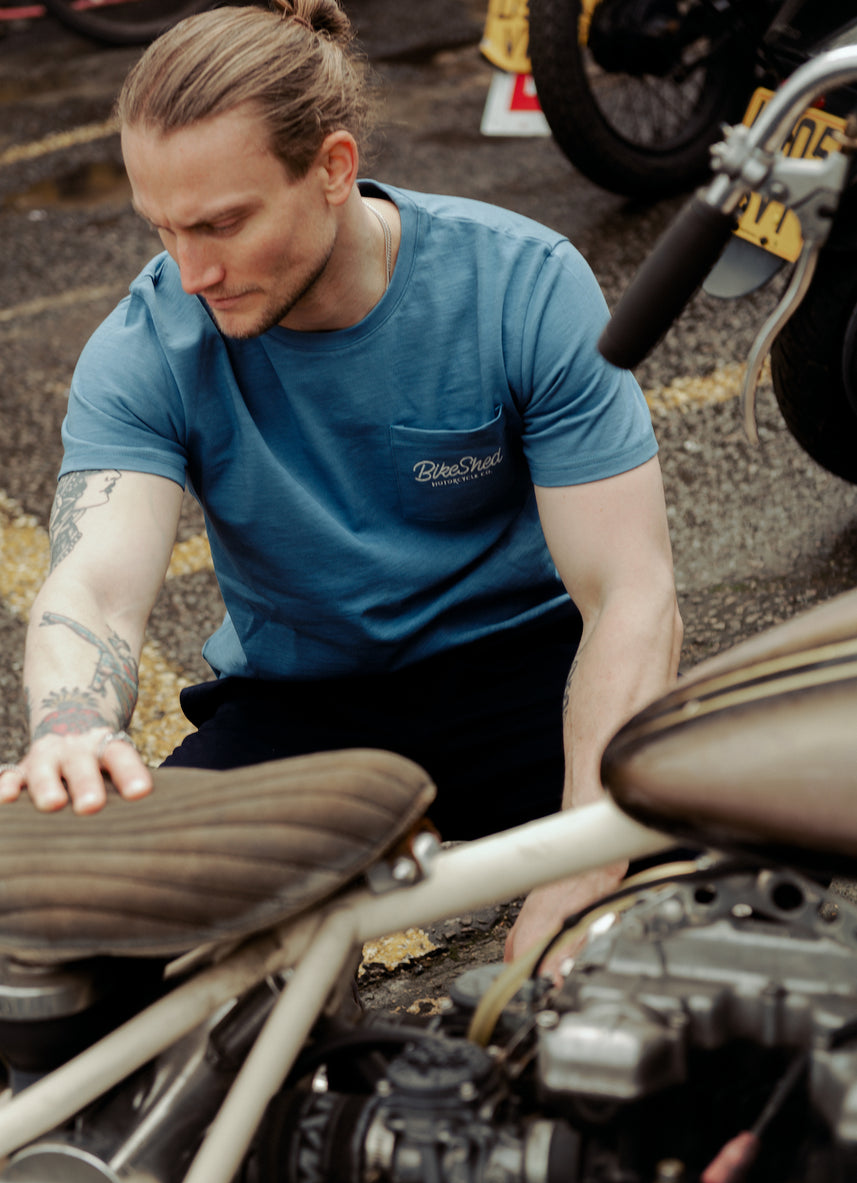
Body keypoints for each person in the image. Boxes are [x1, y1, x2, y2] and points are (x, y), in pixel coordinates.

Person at [0, 0, 683, 966]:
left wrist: (587, 865)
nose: (191, 270)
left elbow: (629, 592)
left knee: (696, 913)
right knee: (82, 950)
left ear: (332, 168)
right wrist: (68, 728)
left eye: (223, 224)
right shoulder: (148, 341)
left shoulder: (520, 285)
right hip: (302, 705)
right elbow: (98, 587)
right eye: (162, 228)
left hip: (527, 675)